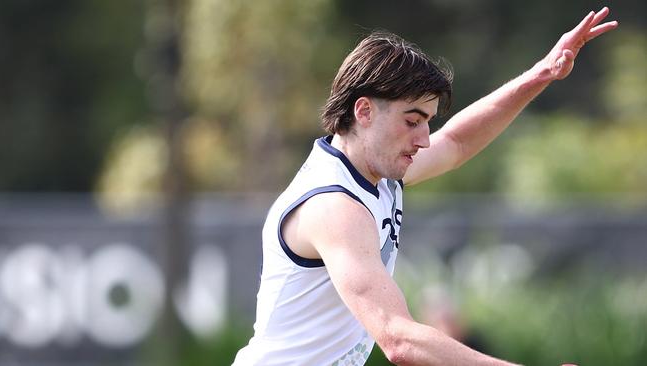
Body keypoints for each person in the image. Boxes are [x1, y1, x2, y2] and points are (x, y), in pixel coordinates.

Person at [233, 7, 617, 366]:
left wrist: (541, 74)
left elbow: (457, 142)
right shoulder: (336, 207)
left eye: (428, 121)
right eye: (412, 120)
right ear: (363, 111)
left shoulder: (374, 170)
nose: (425, 138)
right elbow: (399, 341)